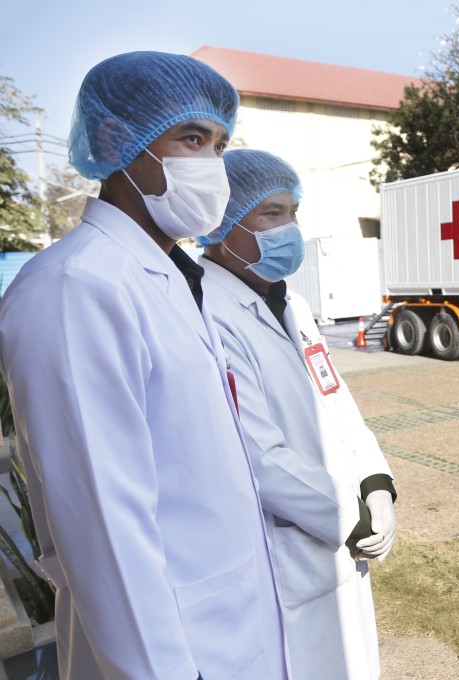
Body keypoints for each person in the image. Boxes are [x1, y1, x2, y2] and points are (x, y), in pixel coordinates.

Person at [0, 53, 288, 679]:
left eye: (220, 145)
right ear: (113, 139)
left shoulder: (168, 277)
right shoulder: (75, 288)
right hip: (169, 654)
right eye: (191, 138)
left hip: (231, 630)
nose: (213, 165)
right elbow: (106, 543)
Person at [197, 149, 397, 679]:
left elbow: (336, 403)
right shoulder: (207, 314)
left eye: (293, 213)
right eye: (272, 214)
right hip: (283, 551)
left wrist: (376, 484)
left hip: (338, 534)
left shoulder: (293, 304)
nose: (290, 229)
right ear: (222, 222)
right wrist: (348, 514)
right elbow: (257, 454)